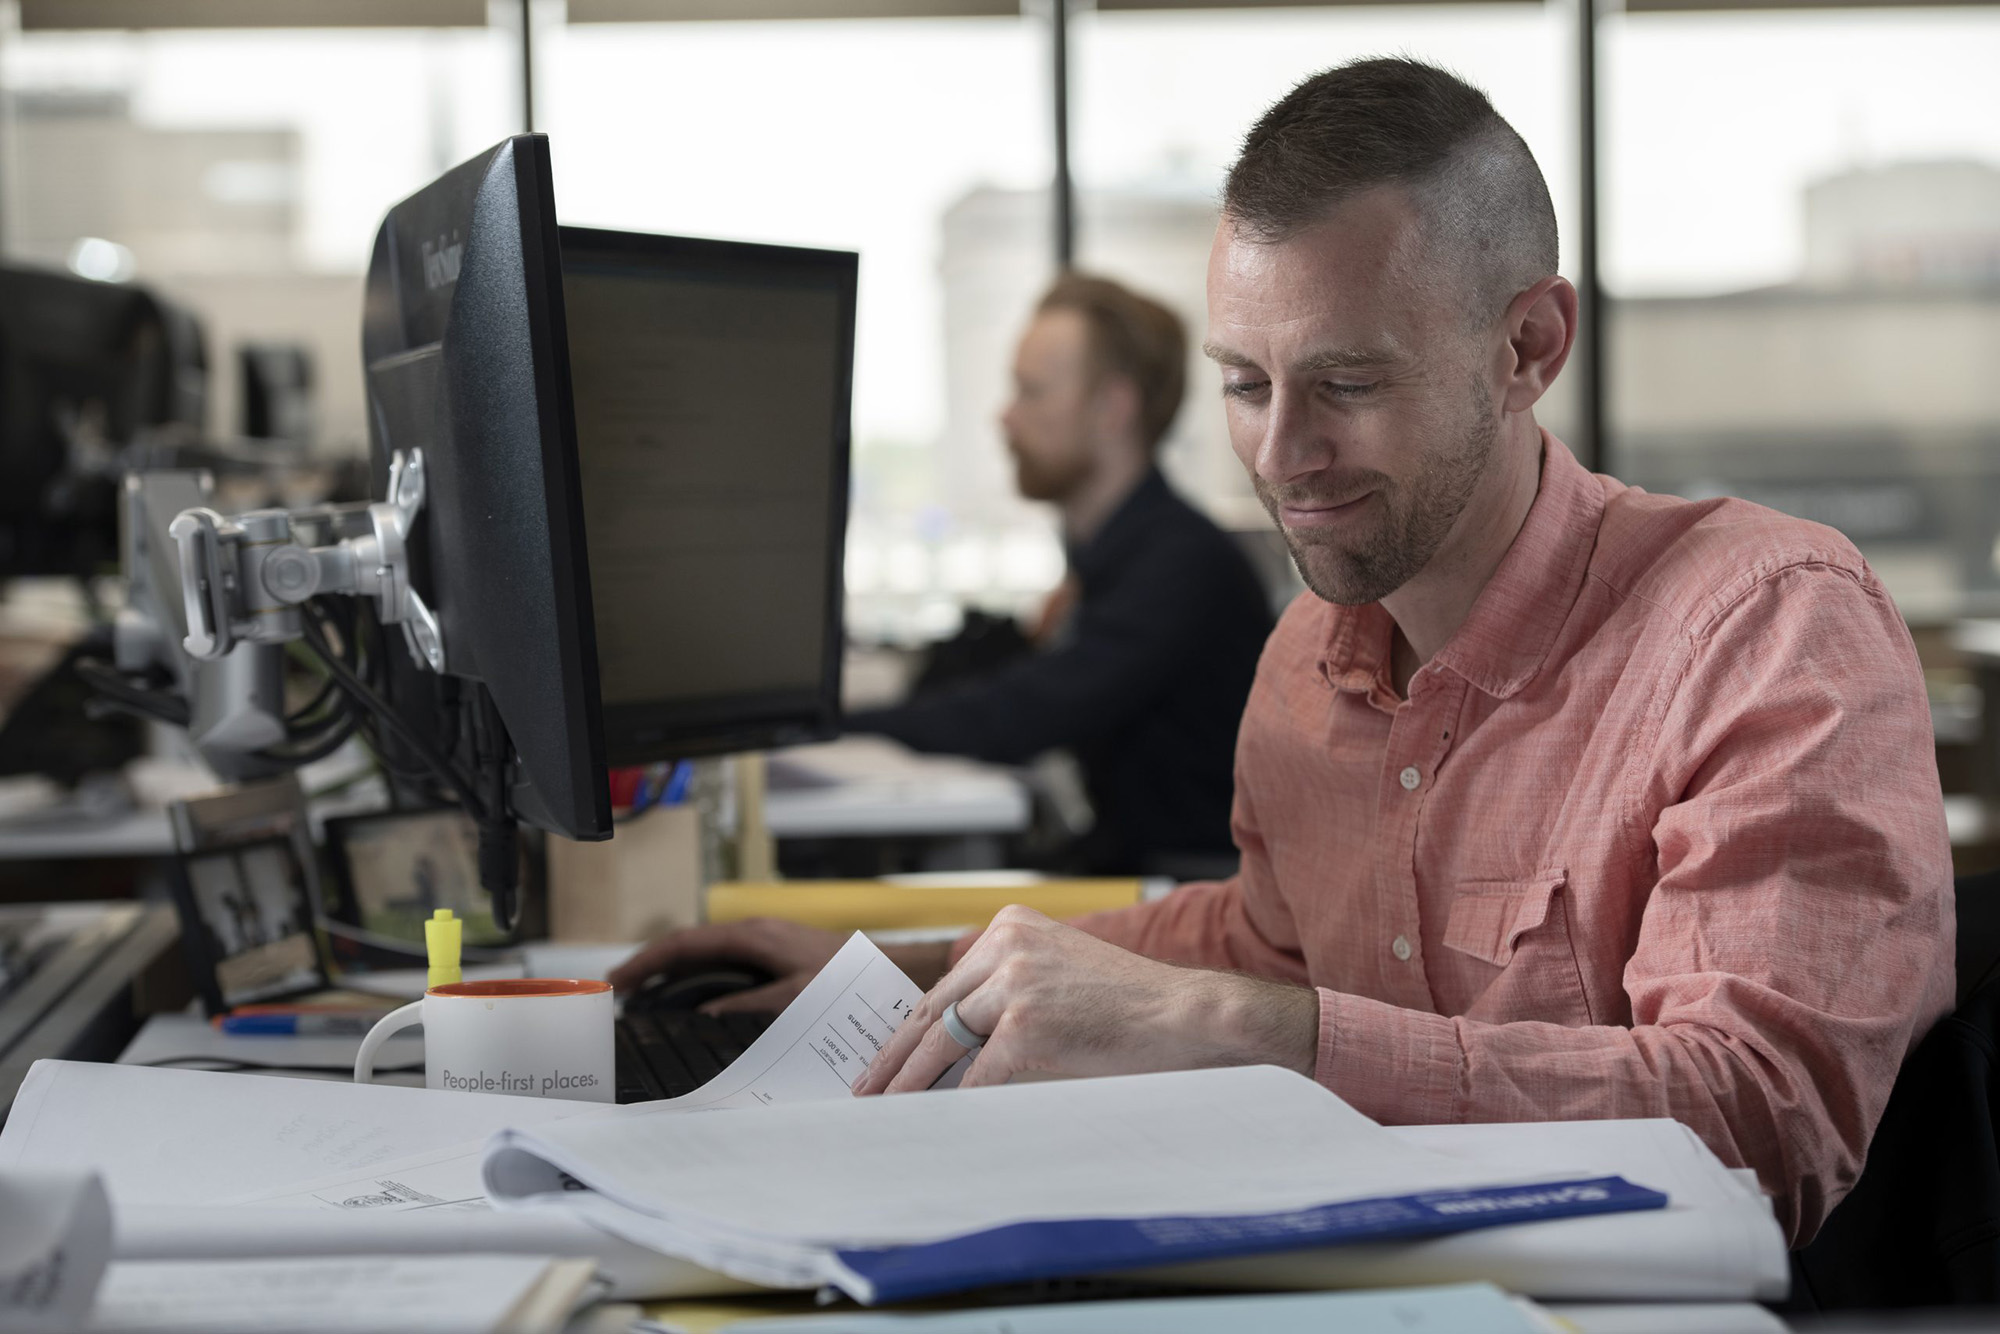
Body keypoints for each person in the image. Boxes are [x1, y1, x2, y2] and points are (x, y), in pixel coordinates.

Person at [612, 58, 1953, 1247]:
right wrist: (903, 964)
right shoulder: (1311, 654)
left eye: (1346, 385)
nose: (1280, 455)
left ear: (1529, 347)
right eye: (1247, 385)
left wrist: (1238, 1029)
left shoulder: (1769, 623)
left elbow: (1757, 1122)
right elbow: (1260, 943)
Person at [844, 275, 1273, 876]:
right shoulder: (1111, 557)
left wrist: (826, 724)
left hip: (1185, 893)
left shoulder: (1180, 564)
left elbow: (1024, 713)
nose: (1007, 416)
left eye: (1032, 392)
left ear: (1112, 408)